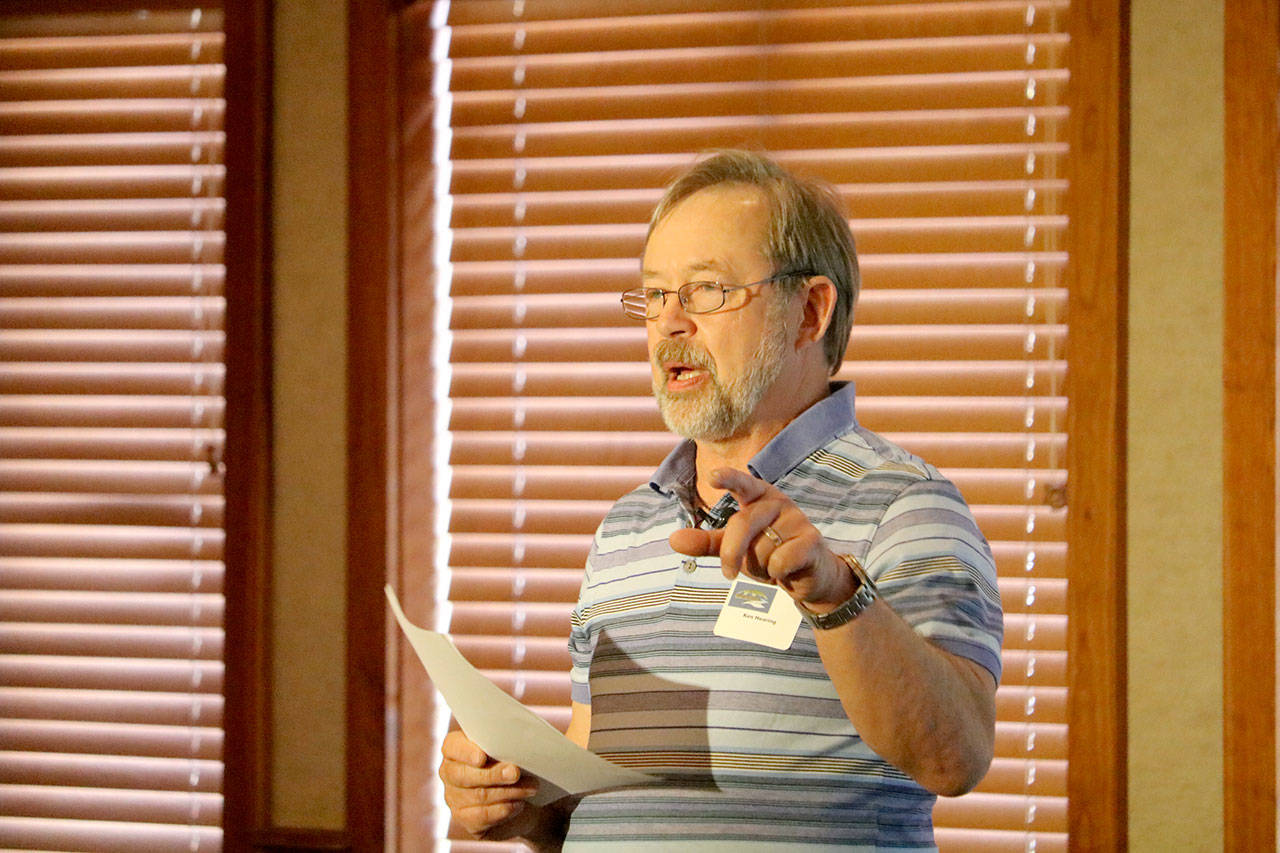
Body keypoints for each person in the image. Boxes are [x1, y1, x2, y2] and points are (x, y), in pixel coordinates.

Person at [439, 150, 1003, 851]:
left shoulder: (907, 505)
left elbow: (957, 757)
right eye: (655, 295)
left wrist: (835, 597)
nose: (669, 324)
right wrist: (515, 803)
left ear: (809, 311)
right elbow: (603, 811)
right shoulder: (626, 528)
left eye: (705, 291)